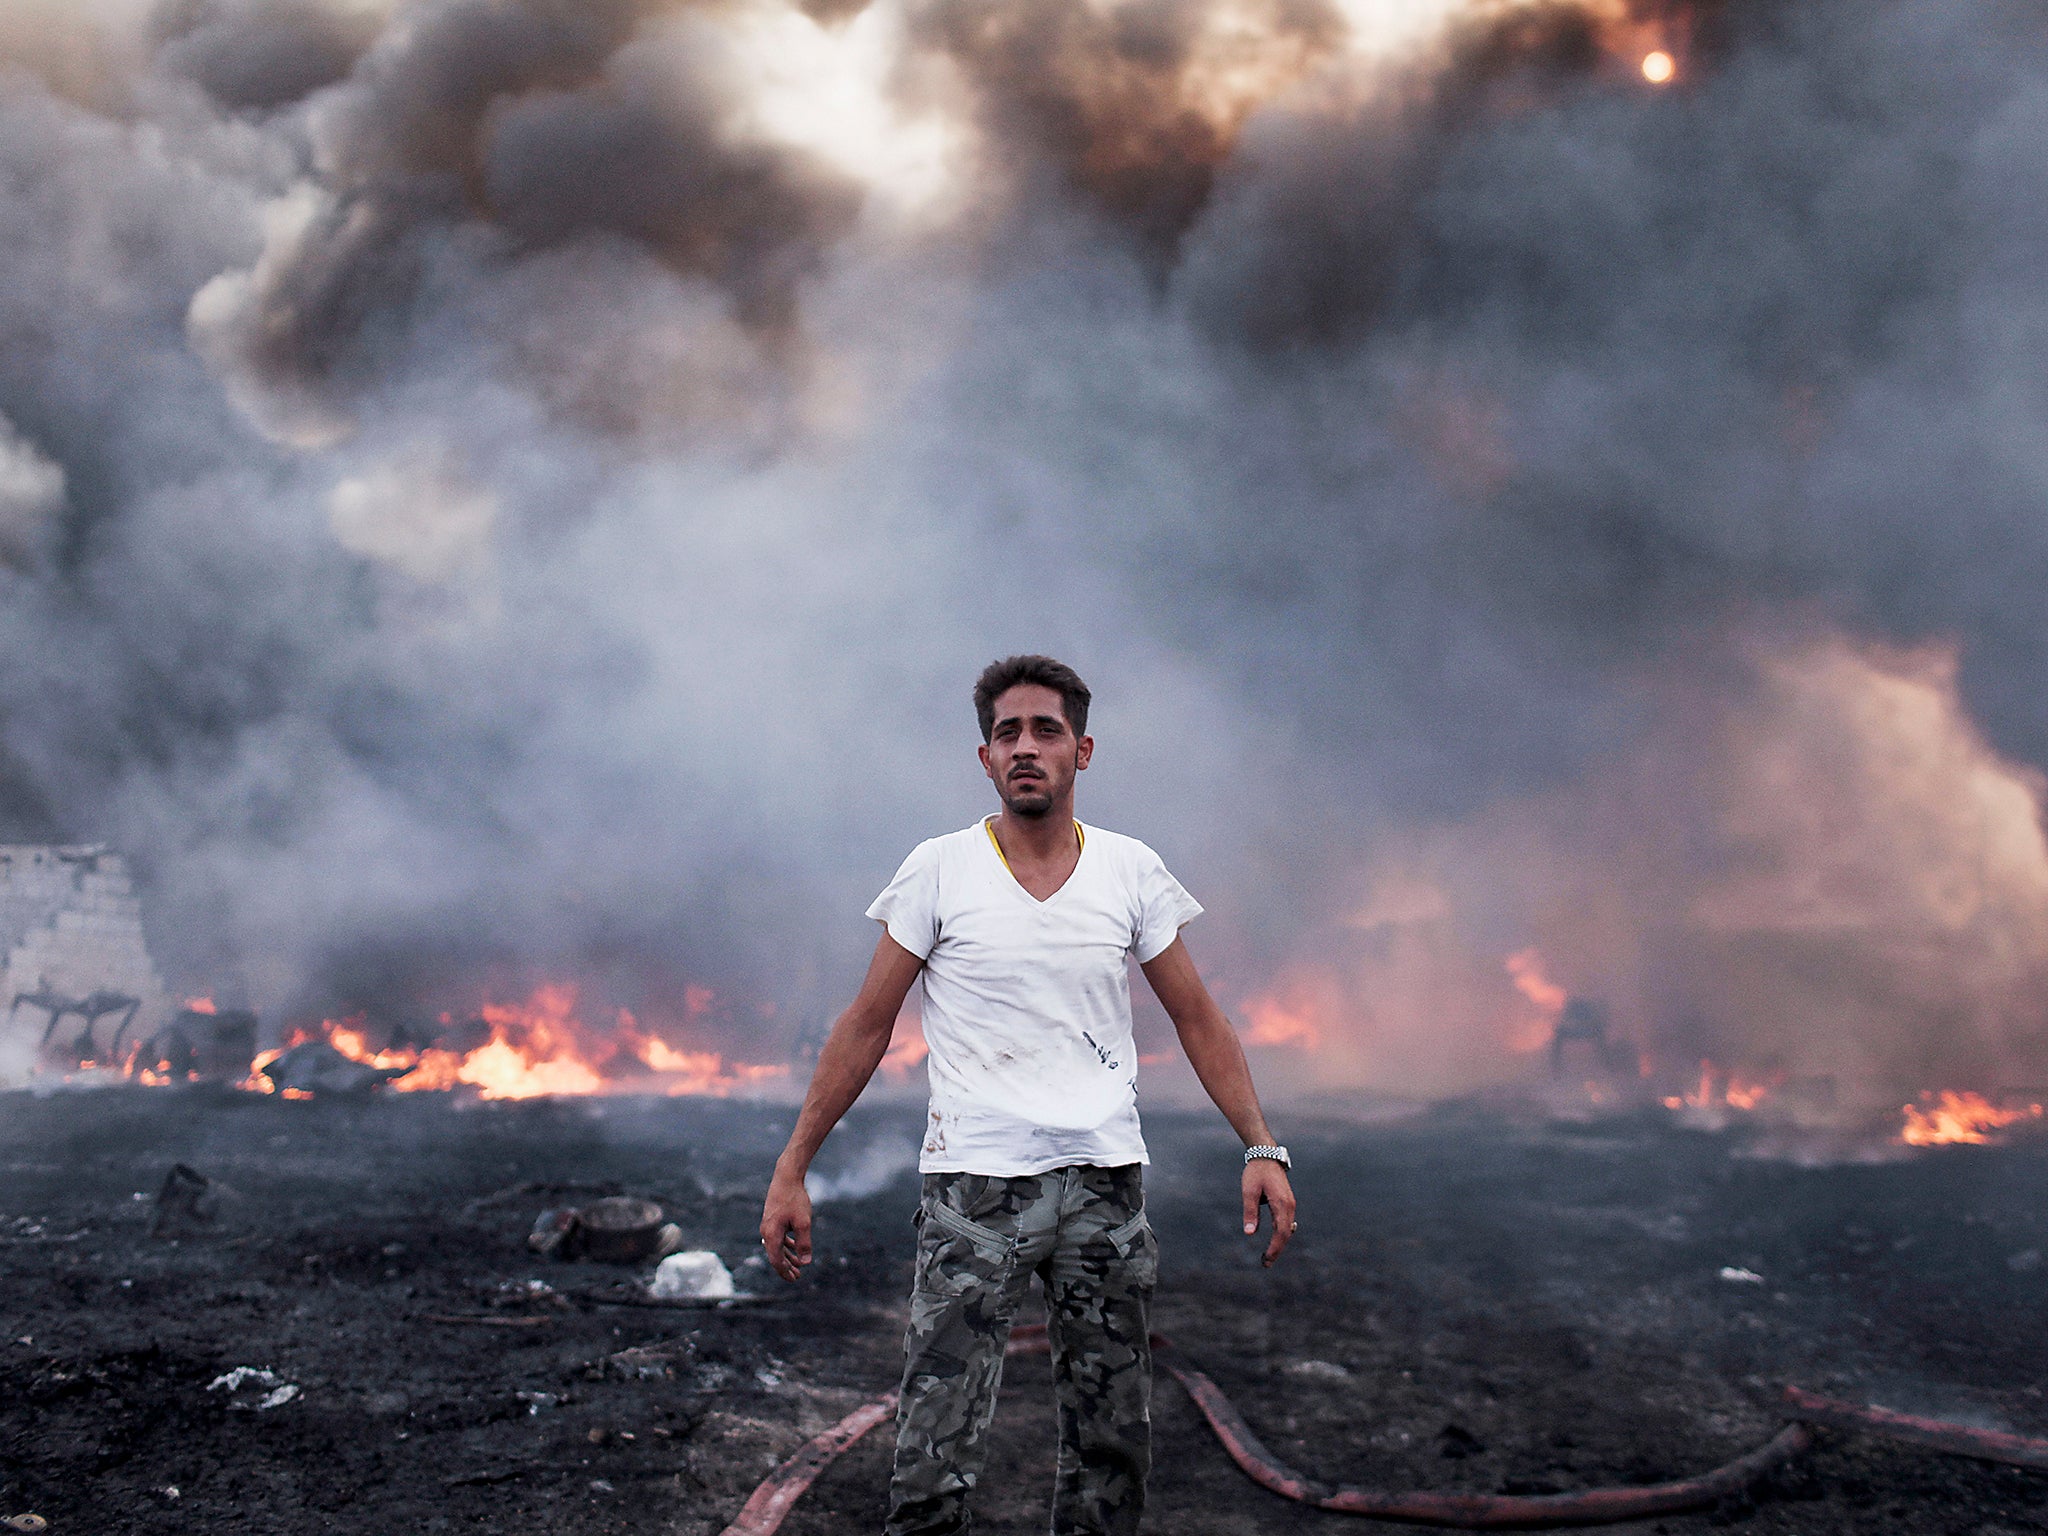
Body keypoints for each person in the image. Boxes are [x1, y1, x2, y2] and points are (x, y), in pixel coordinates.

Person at [759, 654, 1296, 1536]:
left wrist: (1261, 1146)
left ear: (1083, 751)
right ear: (985, 758)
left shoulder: (1129, 870)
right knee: (933, 1450)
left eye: (1046, 730)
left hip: (1104, 1193)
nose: (1025, 748)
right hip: (974, 1194)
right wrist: (792, 1167)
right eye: (1007, 732)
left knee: (1112, 1444)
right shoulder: (938, 869)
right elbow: (866, 1024)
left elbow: (1198, 1017)